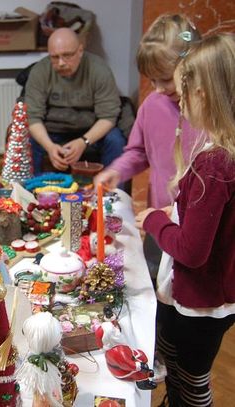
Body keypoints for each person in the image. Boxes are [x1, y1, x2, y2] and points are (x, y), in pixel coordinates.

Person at [135, 33, 235, 406]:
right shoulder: (222, 154)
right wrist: (176, 213)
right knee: (175, 364)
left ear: (202, 95)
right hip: (209, 297)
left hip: (202, 303)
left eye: (182, 95)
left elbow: (192, 251)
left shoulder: (215, 164)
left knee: (192, 380)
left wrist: (153, 220)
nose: (178, 104)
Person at [95, 14, 201, 280]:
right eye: (152, 80)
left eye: (165, 79)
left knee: (187, 286)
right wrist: (117, 170)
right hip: (159, 220)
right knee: (152, 276)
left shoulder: (209, 113)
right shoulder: (152, 105)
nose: (159, 88)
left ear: (193, 65)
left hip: (198, 225)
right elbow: (138, 151)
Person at [25, 27, 126, 174]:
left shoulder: (99, 70)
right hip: (52, 131)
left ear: (80, 50)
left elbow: (108, 116)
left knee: (115, 140)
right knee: (26, 139)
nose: (61, 63)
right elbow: (33, 118)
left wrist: (84, 141)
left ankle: (110, 187)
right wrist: (49, 147)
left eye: (67, 55)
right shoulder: (40, 71)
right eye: (54, 57)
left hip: (90, 131)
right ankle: (30, 186)